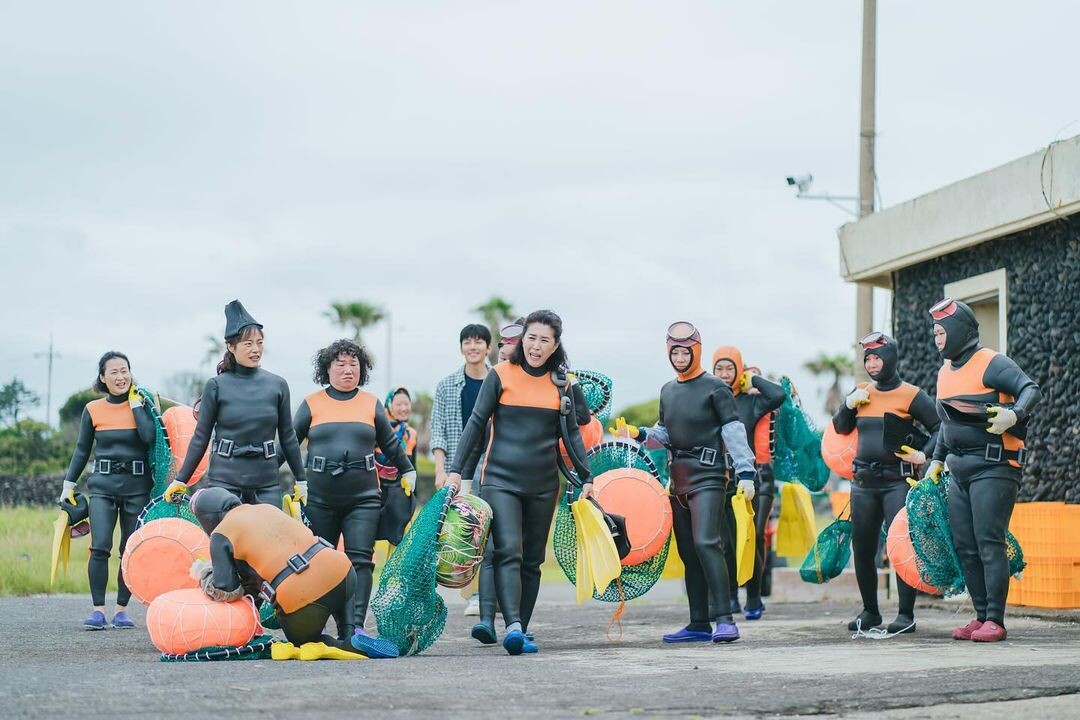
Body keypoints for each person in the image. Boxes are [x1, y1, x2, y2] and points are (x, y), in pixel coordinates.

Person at [446, 310, 592, 655]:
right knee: (508, 550)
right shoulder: (500, 374)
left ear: (555, 345)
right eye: (531, 338)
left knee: (532, 560)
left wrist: (587, 477)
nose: (536, 346)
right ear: (522, 339)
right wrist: (456, 470)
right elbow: (476, 424)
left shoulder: (563, 384)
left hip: (543, 484)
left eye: (545, 340)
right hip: (500, 480)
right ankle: (510, 623)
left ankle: (520, 629)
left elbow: (571, 435)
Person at [612, 322, 757, 644]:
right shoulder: (668, 390)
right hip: (677, 480)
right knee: (689, 552)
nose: (679, 357)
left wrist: (746, 473)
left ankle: (725, 619)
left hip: (709, 476)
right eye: (674, 352)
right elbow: (664, 433)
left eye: (685, 351)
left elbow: (733, 431)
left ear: (696, 351)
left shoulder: (715, 387)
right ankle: (698, 623)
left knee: (708, 543)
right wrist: (637, 434)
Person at [290, 339, 416, 658]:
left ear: (362, 369)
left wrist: (408, 469)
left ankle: (354, 629)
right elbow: (290, 446)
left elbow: (390, 443)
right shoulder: (311, 403)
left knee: (361, 560)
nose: (348, 370)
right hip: (319, 497)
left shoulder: (371, 403)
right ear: (326, 369)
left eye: (354, 365)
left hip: (363, 497)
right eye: (341, 364)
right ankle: (317, 627)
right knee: (321, 563)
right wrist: (269, 471)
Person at [926, 299, 1041, 642]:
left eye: (942, 332)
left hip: (994, 466)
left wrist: (1014, 414)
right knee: (965, 543)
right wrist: (935, 460)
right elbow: (946, 423)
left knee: (988, 541)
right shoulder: (944, 373)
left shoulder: (991, 362)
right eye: (934, 333)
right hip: (958, 470)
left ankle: (996, 619)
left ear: (960, 330)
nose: (937, 338)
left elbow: (1030, 389)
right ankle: (979, 616)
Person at [832, 332, 940, 634]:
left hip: (897, 480)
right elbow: (841, 427)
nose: (872, 364)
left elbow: (939, 427)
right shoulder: (862, 391)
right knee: (863, 548)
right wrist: (848, 404)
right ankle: (870, 612)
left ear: (890, 358)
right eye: (868, 359)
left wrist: (925, 455)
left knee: (902, 546)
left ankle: (906, 615)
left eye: (877, 357)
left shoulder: (911, 394)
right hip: (863, 482)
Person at [189, 487, 364, 660]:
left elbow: (226, 588)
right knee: (336, 577)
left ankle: (344, 646)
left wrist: (204, 574)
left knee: (303, 642)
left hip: (302, 596)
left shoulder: (221, 533)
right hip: (343, 572)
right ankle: (350, 634)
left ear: (206, 519)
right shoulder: (266, 508)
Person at [164, 300, 306, 505]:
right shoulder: (216, 386)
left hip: (266, 482)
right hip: (225, 481)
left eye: (260, 342)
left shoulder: (278, 385)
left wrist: (301, 480)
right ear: (231, 346)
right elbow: (201, 437)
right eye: (248, 344)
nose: (256, 349)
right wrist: (181, 479)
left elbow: (288, 437)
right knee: (226, 536)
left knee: (266, 536)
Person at [61, 351, 156, 630]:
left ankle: (122, 610)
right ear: (103, 377)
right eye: (113, 371)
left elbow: (149, 437)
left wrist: (137, 407)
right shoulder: (93, 409)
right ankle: (98, 611)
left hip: (137, 489)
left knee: (129, 549)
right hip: (102, 487)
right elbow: (81, 450)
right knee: (100, 546)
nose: (120, 376)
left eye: (124, 370)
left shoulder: (144, 405)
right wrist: (68, 485)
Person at [711, 346, 786, 620]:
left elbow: (778, 394)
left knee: (751, 538)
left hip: (757, 479)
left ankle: (754, 596)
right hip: (722, 477)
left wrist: (751, 379)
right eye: (718, 369)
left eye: (729, 368)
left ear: (738, 370)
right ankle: (731, 596)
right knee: (727, 542)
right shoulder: (711, 400)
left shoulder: (752, 401)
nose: (723, 374)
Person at [431, 323, 492, 616]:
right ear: (461, 348)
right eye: (468, 342)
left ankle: (490, 595)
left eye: (479, 342)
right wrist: (441, 469)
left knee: (490, 530)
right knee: (463, 533)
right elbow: (438, 431)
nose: (473, 347)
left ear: (488, 348)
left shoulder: (499, 380)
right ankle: (474, 596)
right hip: (460, 468)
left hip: (491, 466)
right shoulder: (446, 385)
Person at [374, 386, 419, 547]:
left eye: (406, 404)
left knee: (400, 531)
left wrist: (415, 494)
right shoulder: (376, 429)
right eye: (399, 404)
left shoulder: (410, 433)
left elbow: (412, 466)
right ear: (388, 405)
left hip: (397, 490)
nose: (403, 408)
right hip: (376, 489)